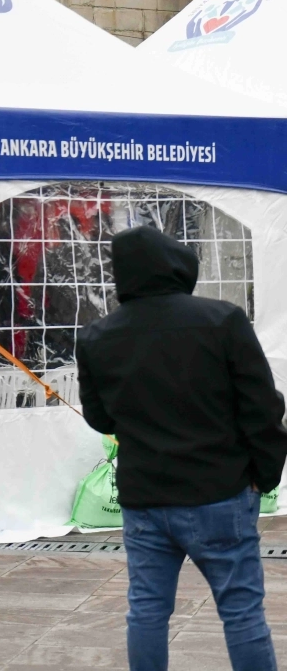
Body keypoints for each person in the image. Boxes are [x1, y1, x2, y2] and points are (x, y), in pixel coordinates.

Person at [78, 225, 287, 671]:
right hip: (220, 492)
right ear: (176, 265)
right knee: (242, 612)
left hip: (145, 498)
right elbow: (262, 407)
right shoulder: (222, 320)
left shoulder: (97, 335)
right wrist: (265, 476)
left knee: (147, 611)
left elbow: (101, 419)